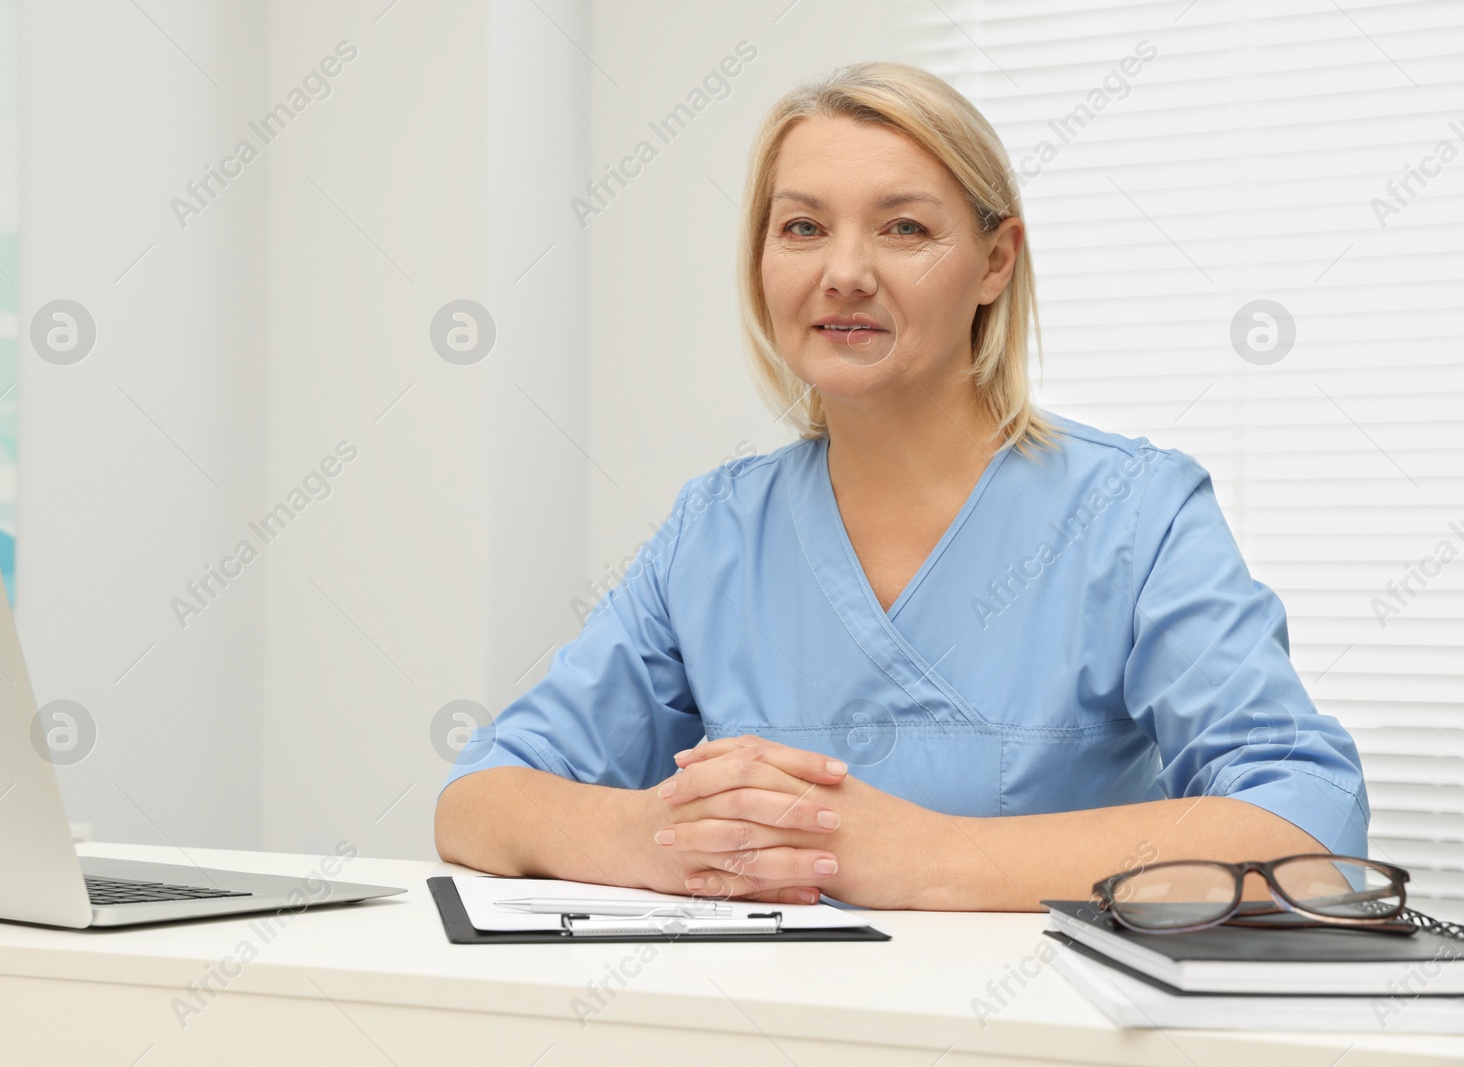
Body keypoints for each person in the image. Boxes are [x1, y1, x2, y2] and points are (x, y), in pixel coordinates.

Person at [433, 61, 1369, 911]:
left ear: (996, 262)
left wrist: (926, 857)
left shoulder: (1135, 514)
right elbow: (481, 801)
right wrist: (655, 839)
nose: (844, 273)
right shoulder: (716, 532)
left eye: (904, 228)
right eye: (802, 227)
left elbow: (1308, 831)